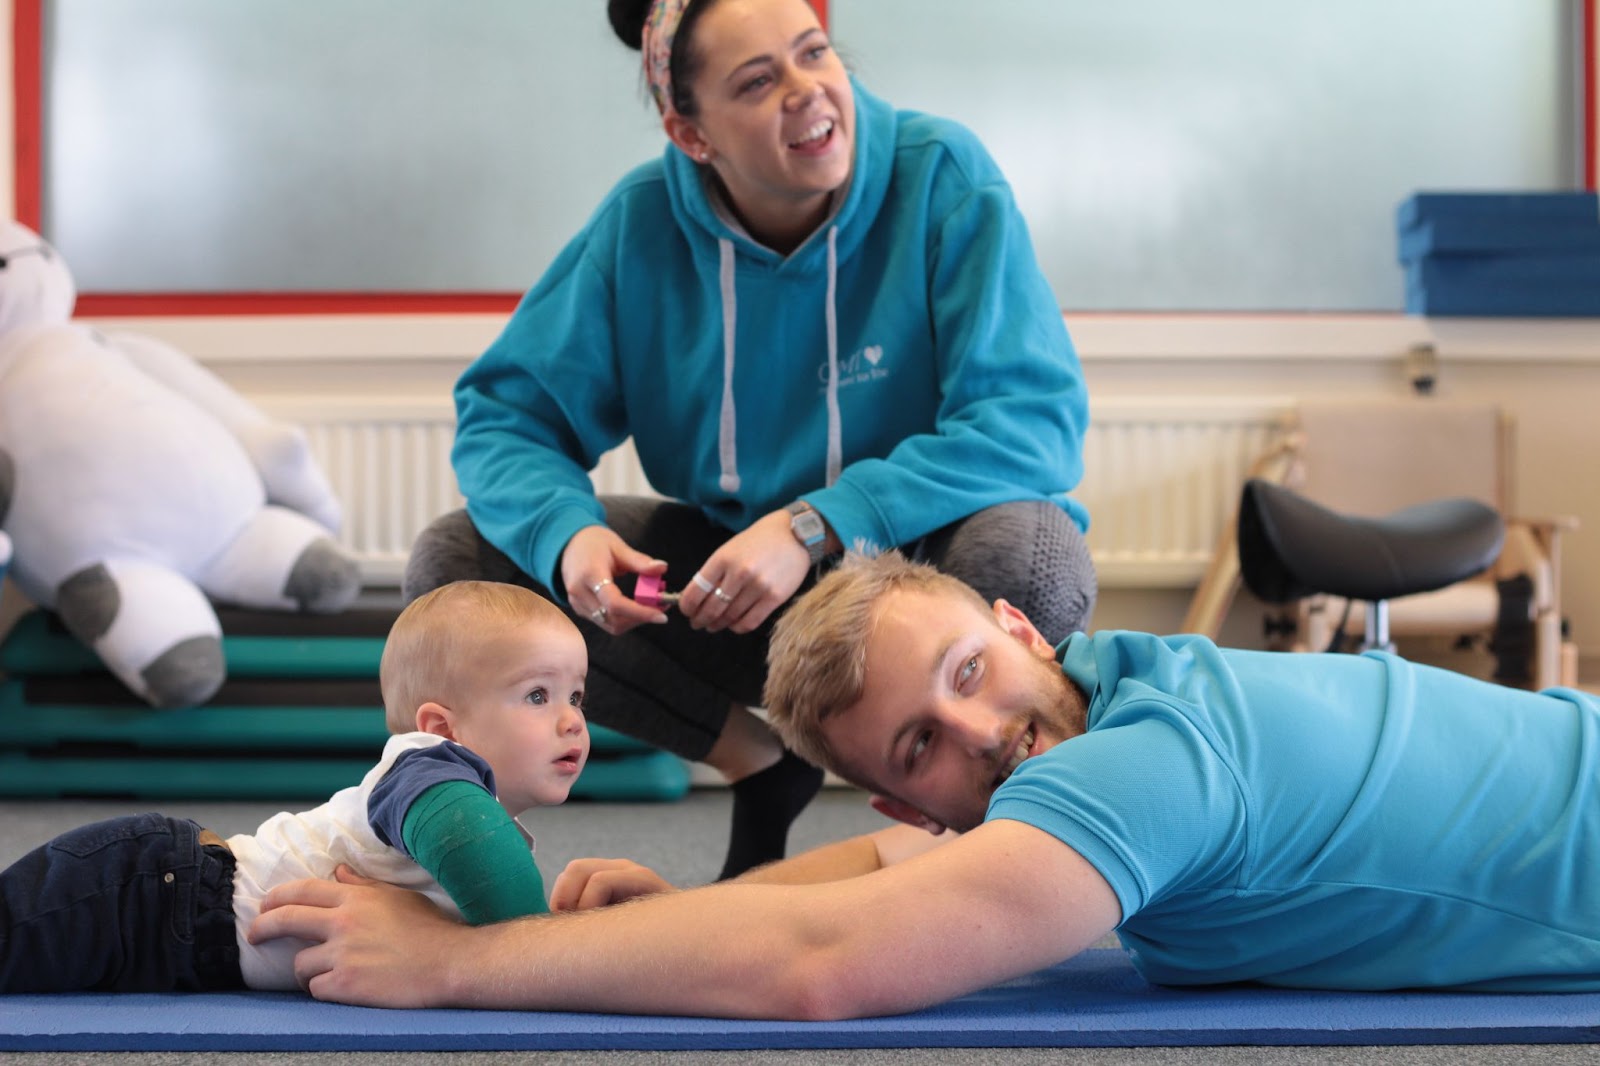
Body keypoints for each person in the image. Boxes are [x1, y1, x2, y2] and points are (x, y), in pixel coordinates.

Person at [250, 550, 1600, 1017]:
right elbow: (862, 883)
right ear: (913, 802)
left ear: (1022, 628)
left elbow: (828, 962)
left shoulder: (1147, 764)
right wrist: (630, 933)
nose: (983, 728)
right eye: (919, 746)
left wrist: (459, 965)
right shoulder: (1137, 688)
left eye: (969, 666)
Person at [404, 0, 1097, 880]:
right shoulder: (640, 227)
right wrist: (567, 536)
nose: (808, 92)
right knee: (461, 562)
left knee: (1033, 554)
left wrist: (818, 522)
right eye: (758, 81)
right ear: (692, 134)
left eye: (815, 54)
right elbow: (508, 412)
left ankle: (970, 847)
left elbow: (1029, 422)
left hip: (927, 569)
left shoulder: (944, 176)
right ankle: (761, 764)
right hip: (744, 594)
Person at [0, 580, 589, 993]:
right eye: (538, 695)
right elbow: (475, 848)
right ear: (442, 728)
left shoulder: (469, 803)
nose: (572, 721)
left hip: (183, 935)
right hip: (147, 895)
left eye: (576, 696)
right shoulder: (426, 769)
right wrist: (545, 950)